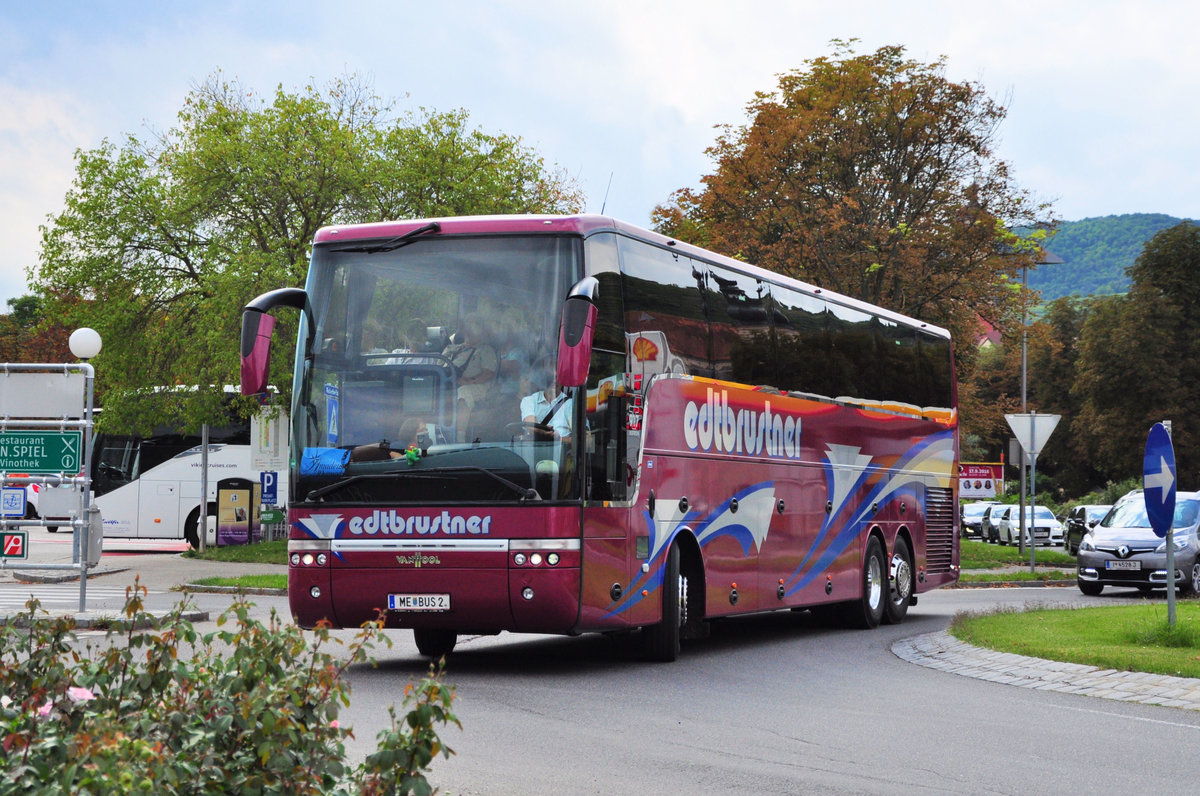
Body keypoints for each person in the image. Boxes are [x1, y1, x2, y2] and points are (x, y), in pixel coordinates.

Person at [520, 368, 573, 440]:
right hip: (533, 450)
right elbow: (530, 425)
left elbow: (586, 441)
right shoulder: (529, 400)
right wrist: (543, 432)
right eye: (550, 377)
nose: (554, 381)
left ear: (562, 380)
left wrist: (559, 439)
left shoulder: (571, 404)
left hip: (561, 450)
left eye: (557, 377)